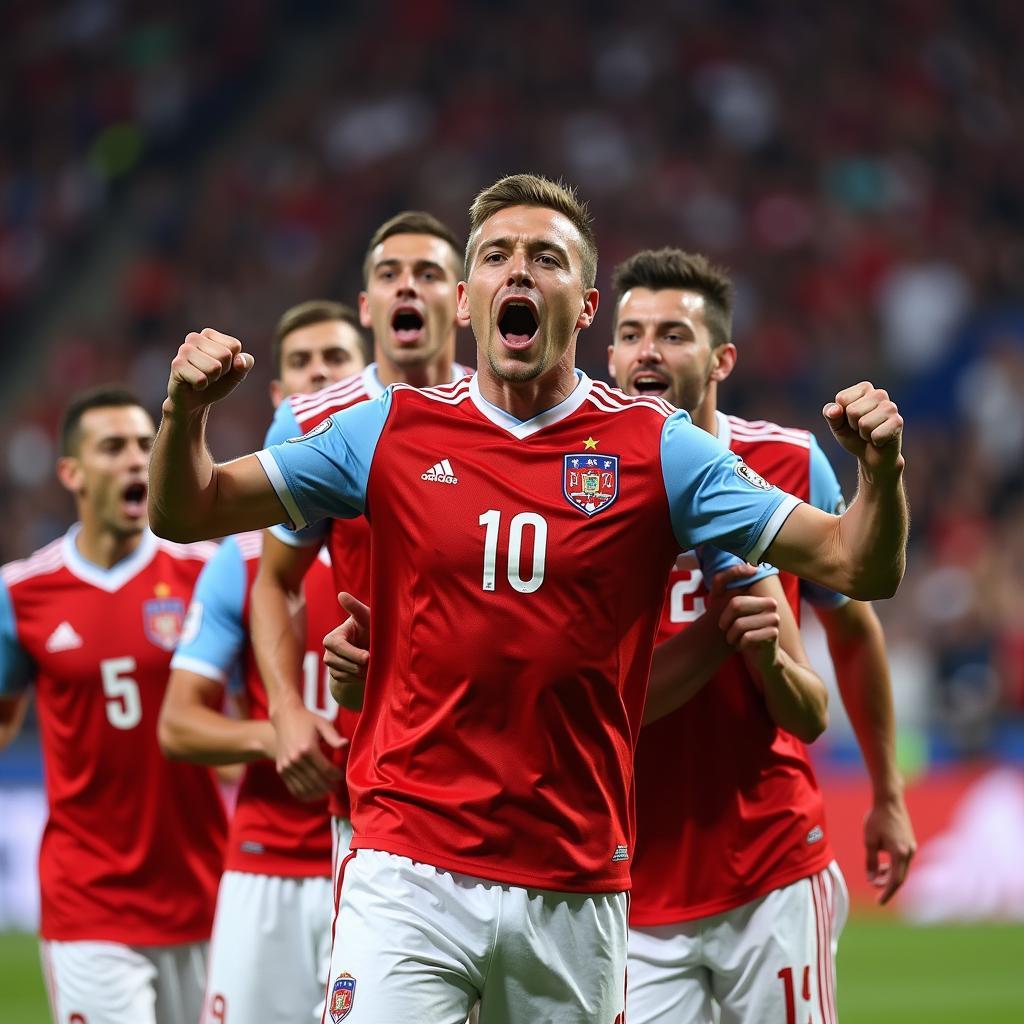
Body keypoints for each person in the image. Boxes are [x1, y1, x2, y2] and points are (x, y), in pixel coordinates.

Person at [147, 173, 908, 1024]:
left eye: (544, 257)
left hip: (574, 878)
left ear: (584, 308)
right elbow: (190, 509)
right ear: (468, 297)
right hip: (407, 862)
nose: (517, 271)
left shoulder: (660, 448)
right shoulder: (388, 430)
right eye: (496, 256)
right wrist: (185, 412)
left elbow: (856, 566)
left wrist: (881, 472)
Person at [604, 248, 917, 1023]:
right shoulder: (580, 483)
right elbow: (605, 702)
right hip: (627, 882)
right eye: (632, 333)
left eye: (673, 334)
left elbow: (853, 631)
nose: (648, 350)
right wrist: (722, 631)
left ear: (721, 359)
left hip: (770, 863)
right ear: (607, 353)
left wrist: (887, 792)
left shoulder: (785, 461)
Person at [156, 300, 367, 1023]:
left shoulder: (407, 536)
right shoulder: (240, 560)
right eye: (301, 367)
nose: (319, 380)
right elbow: (179, 727)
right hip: (269, 861)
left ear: (365, 383)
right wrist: (273, 731)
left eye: (335, 363)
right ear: (280, 401)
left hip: (383, 855)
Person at [0, 386, 226, 1024]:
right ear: (71, 472)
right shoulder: (22, 594)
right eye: (112, 447)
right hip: (88, 902)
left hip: (203, 891)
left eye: (142, 444)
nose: (134, 459)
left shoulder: (206, 572)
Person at [250, 211, 469, 813]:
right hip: (380, 761)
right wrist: (287, 710)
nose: (406, 286)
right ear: (367, 306)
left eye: (427, 274)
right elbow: (275, 581)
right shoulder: (312, 422)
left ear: (462, 302)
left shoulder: (505, 414)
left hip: (499, 749)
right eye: (389, 274)